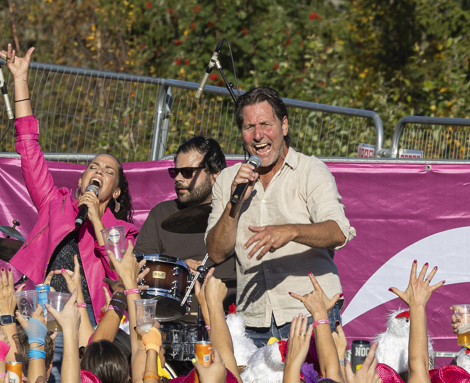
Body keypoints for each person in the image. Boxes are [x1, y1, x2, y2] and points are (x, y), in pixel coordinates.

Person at [0, 39, 135, 318]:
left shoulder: (122, 232)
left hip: (92, 321)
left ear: (116, 192)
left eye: (108, 172)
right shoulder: (53, 204)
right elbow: (28, 146)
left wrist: (95, 220)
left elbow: (121, 278)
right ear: (81, 181)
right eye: (93, 167)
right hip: (44, 312)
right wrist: (20, 80)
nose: (98, 173)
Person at [204, 86, 357, 342]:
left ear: (284, 125)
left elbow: (339, 232)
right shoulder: (228, 180)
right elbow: (216, 252)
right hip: (253, 321)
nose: (258, 135)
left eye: (266, 124)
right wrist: (234, 204)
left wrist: (291, 231)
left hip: (309, 312)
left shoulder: (310, 170)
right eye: (249, 127)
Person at [137, 135, 226, 276]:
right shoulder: (161, 213)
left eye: (187, 172)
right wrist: (179, 269)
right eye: (175, 172)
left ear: (215, 175)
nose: (178, 178)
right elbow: (141, 267)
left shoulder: (234, 212)